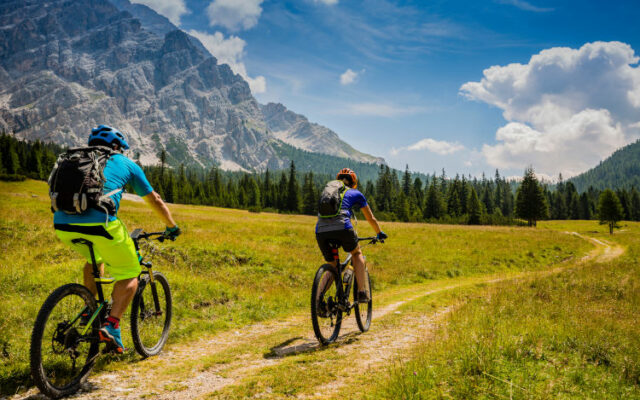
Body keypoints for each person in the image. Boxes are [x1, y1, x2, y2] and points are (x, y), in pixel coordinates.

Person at [53, 125, 181, 354]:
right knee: (131, 273)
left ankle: (88, 309)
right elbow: (155, 200)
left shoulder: (74, 159)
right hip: (101, 223)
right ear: (116, 147)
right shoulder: (125, 163)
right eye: (121, 148)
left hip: (62, 224)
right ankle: (112, 325)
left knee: (96, 259)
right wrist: (172, 226)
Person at [315, 168, 387, 303]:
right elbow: (370, 218)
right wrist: (379, 233)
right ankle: (361, 292)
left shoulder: (329, 192)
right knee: (356, 253)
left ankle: (318, 301)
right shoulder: (356, 193)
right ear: (354, 183)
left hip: (320, 231)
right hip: (343, 228)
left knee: (332, 265)